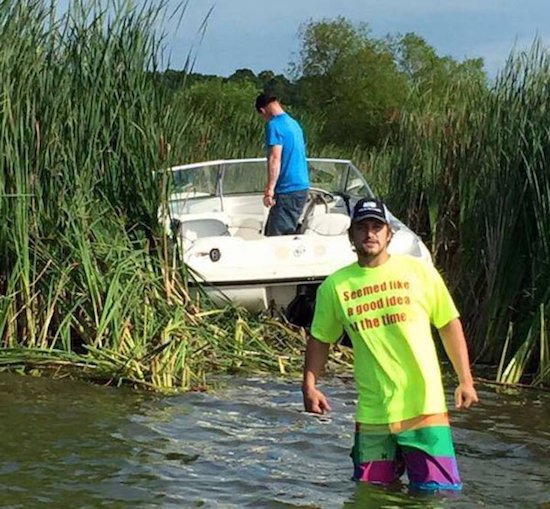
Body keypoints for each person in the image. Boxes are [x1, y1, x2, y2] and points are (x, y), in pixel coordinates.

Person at [302, 197, 479, 491]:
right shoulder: (335, 287)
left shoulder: (419, 272)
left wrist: (465, 380)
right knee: (371, 497)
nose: (369, 234)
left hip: (425, 408)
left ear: (389, 234)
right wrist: (309, 385)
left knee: (437, 496)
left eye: (376, 226)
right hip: (374, 415)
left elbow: (449, 324)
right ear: (351, 236)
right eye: (362, 228)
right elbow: (320, 339)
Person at [255, 93, 309, 236]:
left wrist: (269, 190)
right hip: (301, 187)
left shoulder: (274, 125)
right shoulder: (294, 124)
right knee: (280, 231)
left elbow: (274, 158)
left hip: (287, 189)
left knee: (277, 239)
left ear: (263, 111)